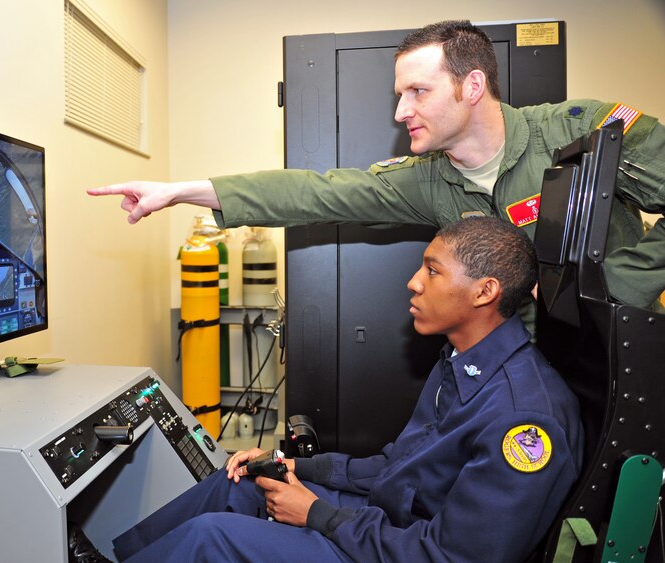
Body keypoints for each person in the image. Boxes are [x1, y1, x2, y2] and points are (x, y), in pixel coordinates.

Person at [88, 20, 665, 312]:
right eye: (399, 93)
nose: (400, 110)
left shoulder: (579, 128)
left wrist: (611, 284)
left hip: (621, 348)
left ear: (471, 85)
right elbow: (317, 193)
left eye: (417, 91)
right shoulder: (429, 179)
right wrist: (179, 191)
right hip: (532, 372)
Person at [111, 217, 583, 562]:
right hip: (386, 522)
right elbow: (395, 467)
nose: (413, 283)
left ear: (484, 292)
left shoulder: (525, 419)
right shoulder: (460, 362)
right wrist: (295, 465)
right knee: (239, 483)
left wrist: (317, 514)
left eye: (433, 271)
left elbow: (451, 556)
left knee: (211, 538)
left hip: (403, 549)